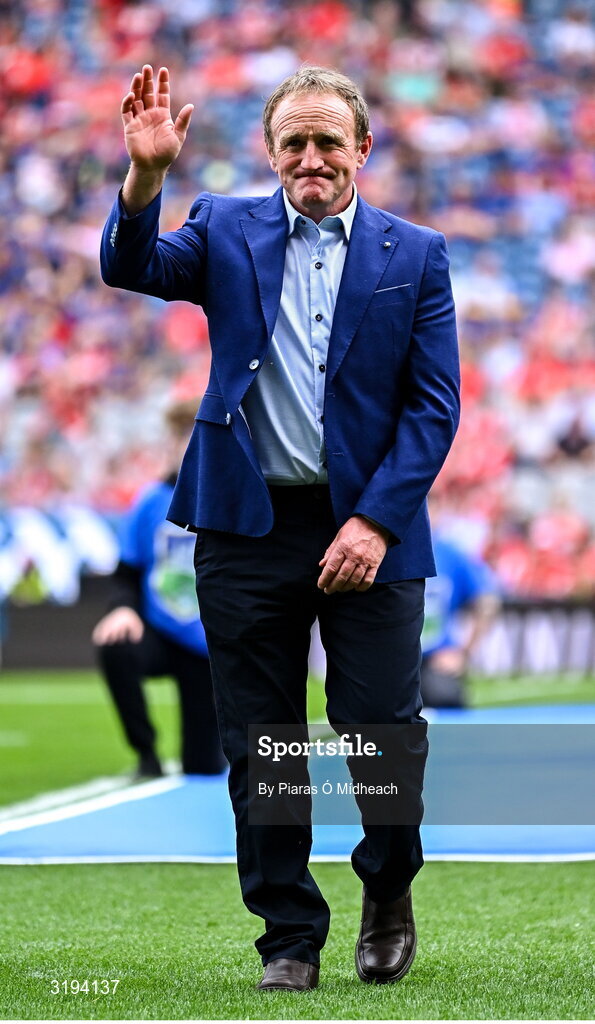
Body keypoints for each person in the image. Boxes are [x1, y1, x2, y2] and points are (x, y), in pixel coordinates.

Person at [101, 64, 460, 991]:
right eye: (293, 142)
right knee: (263, 738)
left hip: (370, 528)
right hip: (245, 524)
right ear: (269, 152)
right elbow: (131, 267)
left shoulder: (417, 252)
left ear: (361, 149)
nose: (311, 157)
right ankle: (289, 935)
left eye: (328, 141)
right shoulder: (222, 226)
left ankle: (387, 886)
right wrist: (145, 177)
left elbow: (434, 408)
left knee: (380, 730)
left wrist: (375, 522)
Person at [92, 399, 225, 779]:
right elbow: (127, 571)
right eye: (181, 437)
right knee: (116, 645)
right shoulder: (150, 501)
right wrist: (122, 607)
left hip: (211, 643)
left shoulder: (230, 498)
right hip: (163, 631)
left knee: (203, 767)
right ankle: (146, 754)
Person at [421, 534, 501, 708]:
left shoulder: (451, 554)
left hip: (434, 660)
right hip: (391, 658)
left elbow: (487, 602)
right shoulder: (381, 547)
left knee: (443, 696)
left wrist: (464, 654)